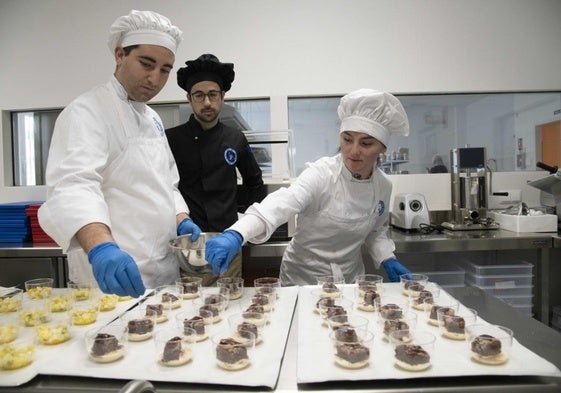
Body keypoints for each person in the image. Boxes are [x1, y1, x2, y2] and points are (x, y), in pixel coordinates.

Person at [38, 10, 202, 298]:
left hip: (163, 272)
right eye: (146, 64)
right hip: (112, 280)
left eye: (165, 70)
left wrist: (181, 218)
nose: (154, 79)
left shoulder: (152, 118)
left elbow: (166, 183)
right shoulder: (87, 111)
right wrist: (102, 248)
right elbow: (74, 186)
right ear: (119, 55)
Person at [204, 88, 411, 286]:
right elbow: (282, 203)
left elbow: (375, 231)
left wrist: (387, 257)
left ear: (383, 147)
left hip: (349, 280)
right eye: (347, 139)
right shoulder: (321, 174)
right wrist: (237, 233)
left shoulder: (383, 185)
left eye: (366, 143)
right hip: (302, 280)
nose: (353, 150)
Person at [166, 54, 266, 285]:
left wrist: (241, 221)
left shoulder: (235, 138)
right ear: (189, 99)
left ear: (222, 96)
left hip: (228, 242)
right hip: (188, 245)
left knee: (230, 303)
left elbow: (255, 183)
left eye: (213, 94)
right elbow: (162, 188)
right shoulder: (171, 139)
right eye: (199, 95)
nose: (207, 102)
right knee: (191, 311)